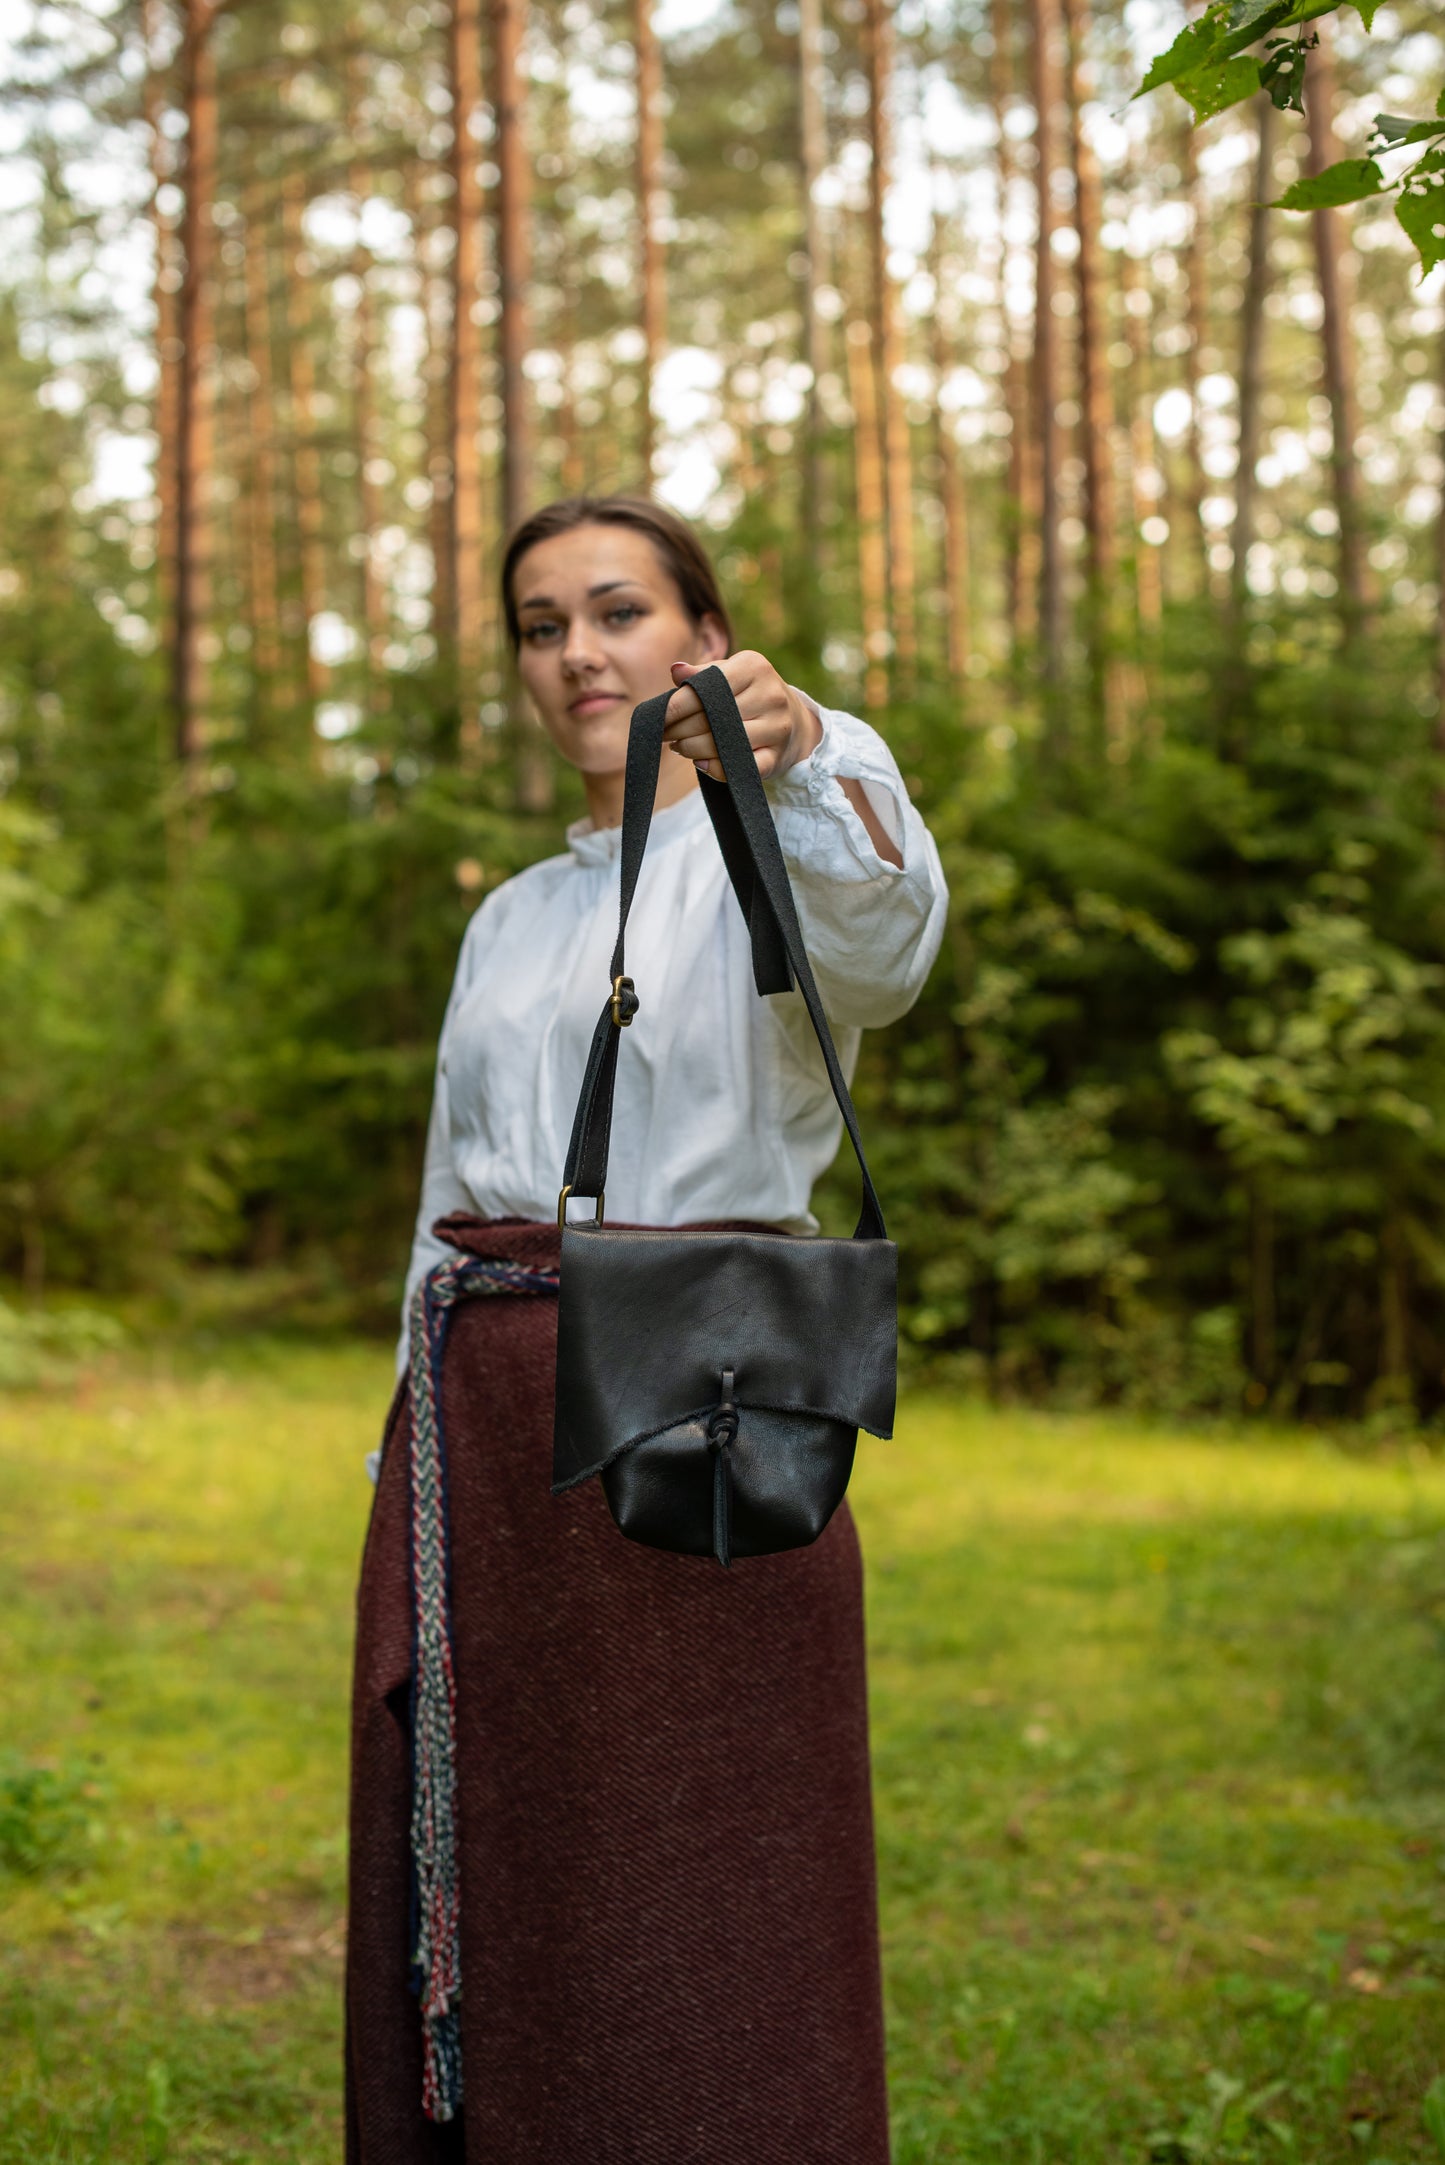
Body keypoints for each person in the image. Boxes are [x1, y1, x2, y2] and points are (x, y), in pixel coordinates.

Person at [345, 494, 948, 2164]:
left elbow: (888, 939)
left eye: (616, 610)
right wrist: (404, 1434)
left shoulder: (776, 857)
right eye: (541, 625)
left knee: (704, 1864)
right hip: (480, 1421)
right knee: (518, 1854)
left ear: (700, 634)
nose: (577, 653)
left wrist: (813, 744)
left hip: (706, 1405)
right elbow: (445, 1199)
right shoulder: (512, 916)